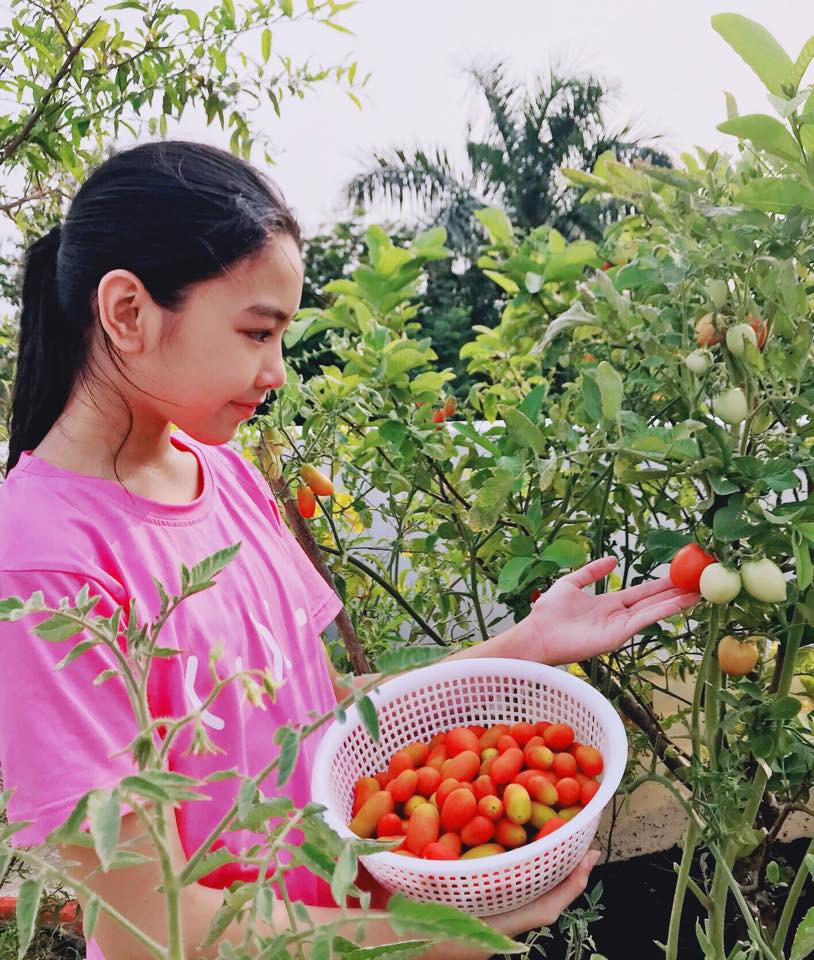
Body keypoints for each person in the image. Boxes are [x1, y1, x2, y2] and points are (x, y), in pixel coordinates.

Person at [0, 140, 699, 960]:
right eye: (257, 332)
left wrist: (526, 647)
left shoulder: (227, 476)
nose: (277, 371)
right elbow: (150, 930)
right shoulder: (42, 564)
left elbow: (319, 715)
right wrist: (429, 941)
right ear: (128, 312)